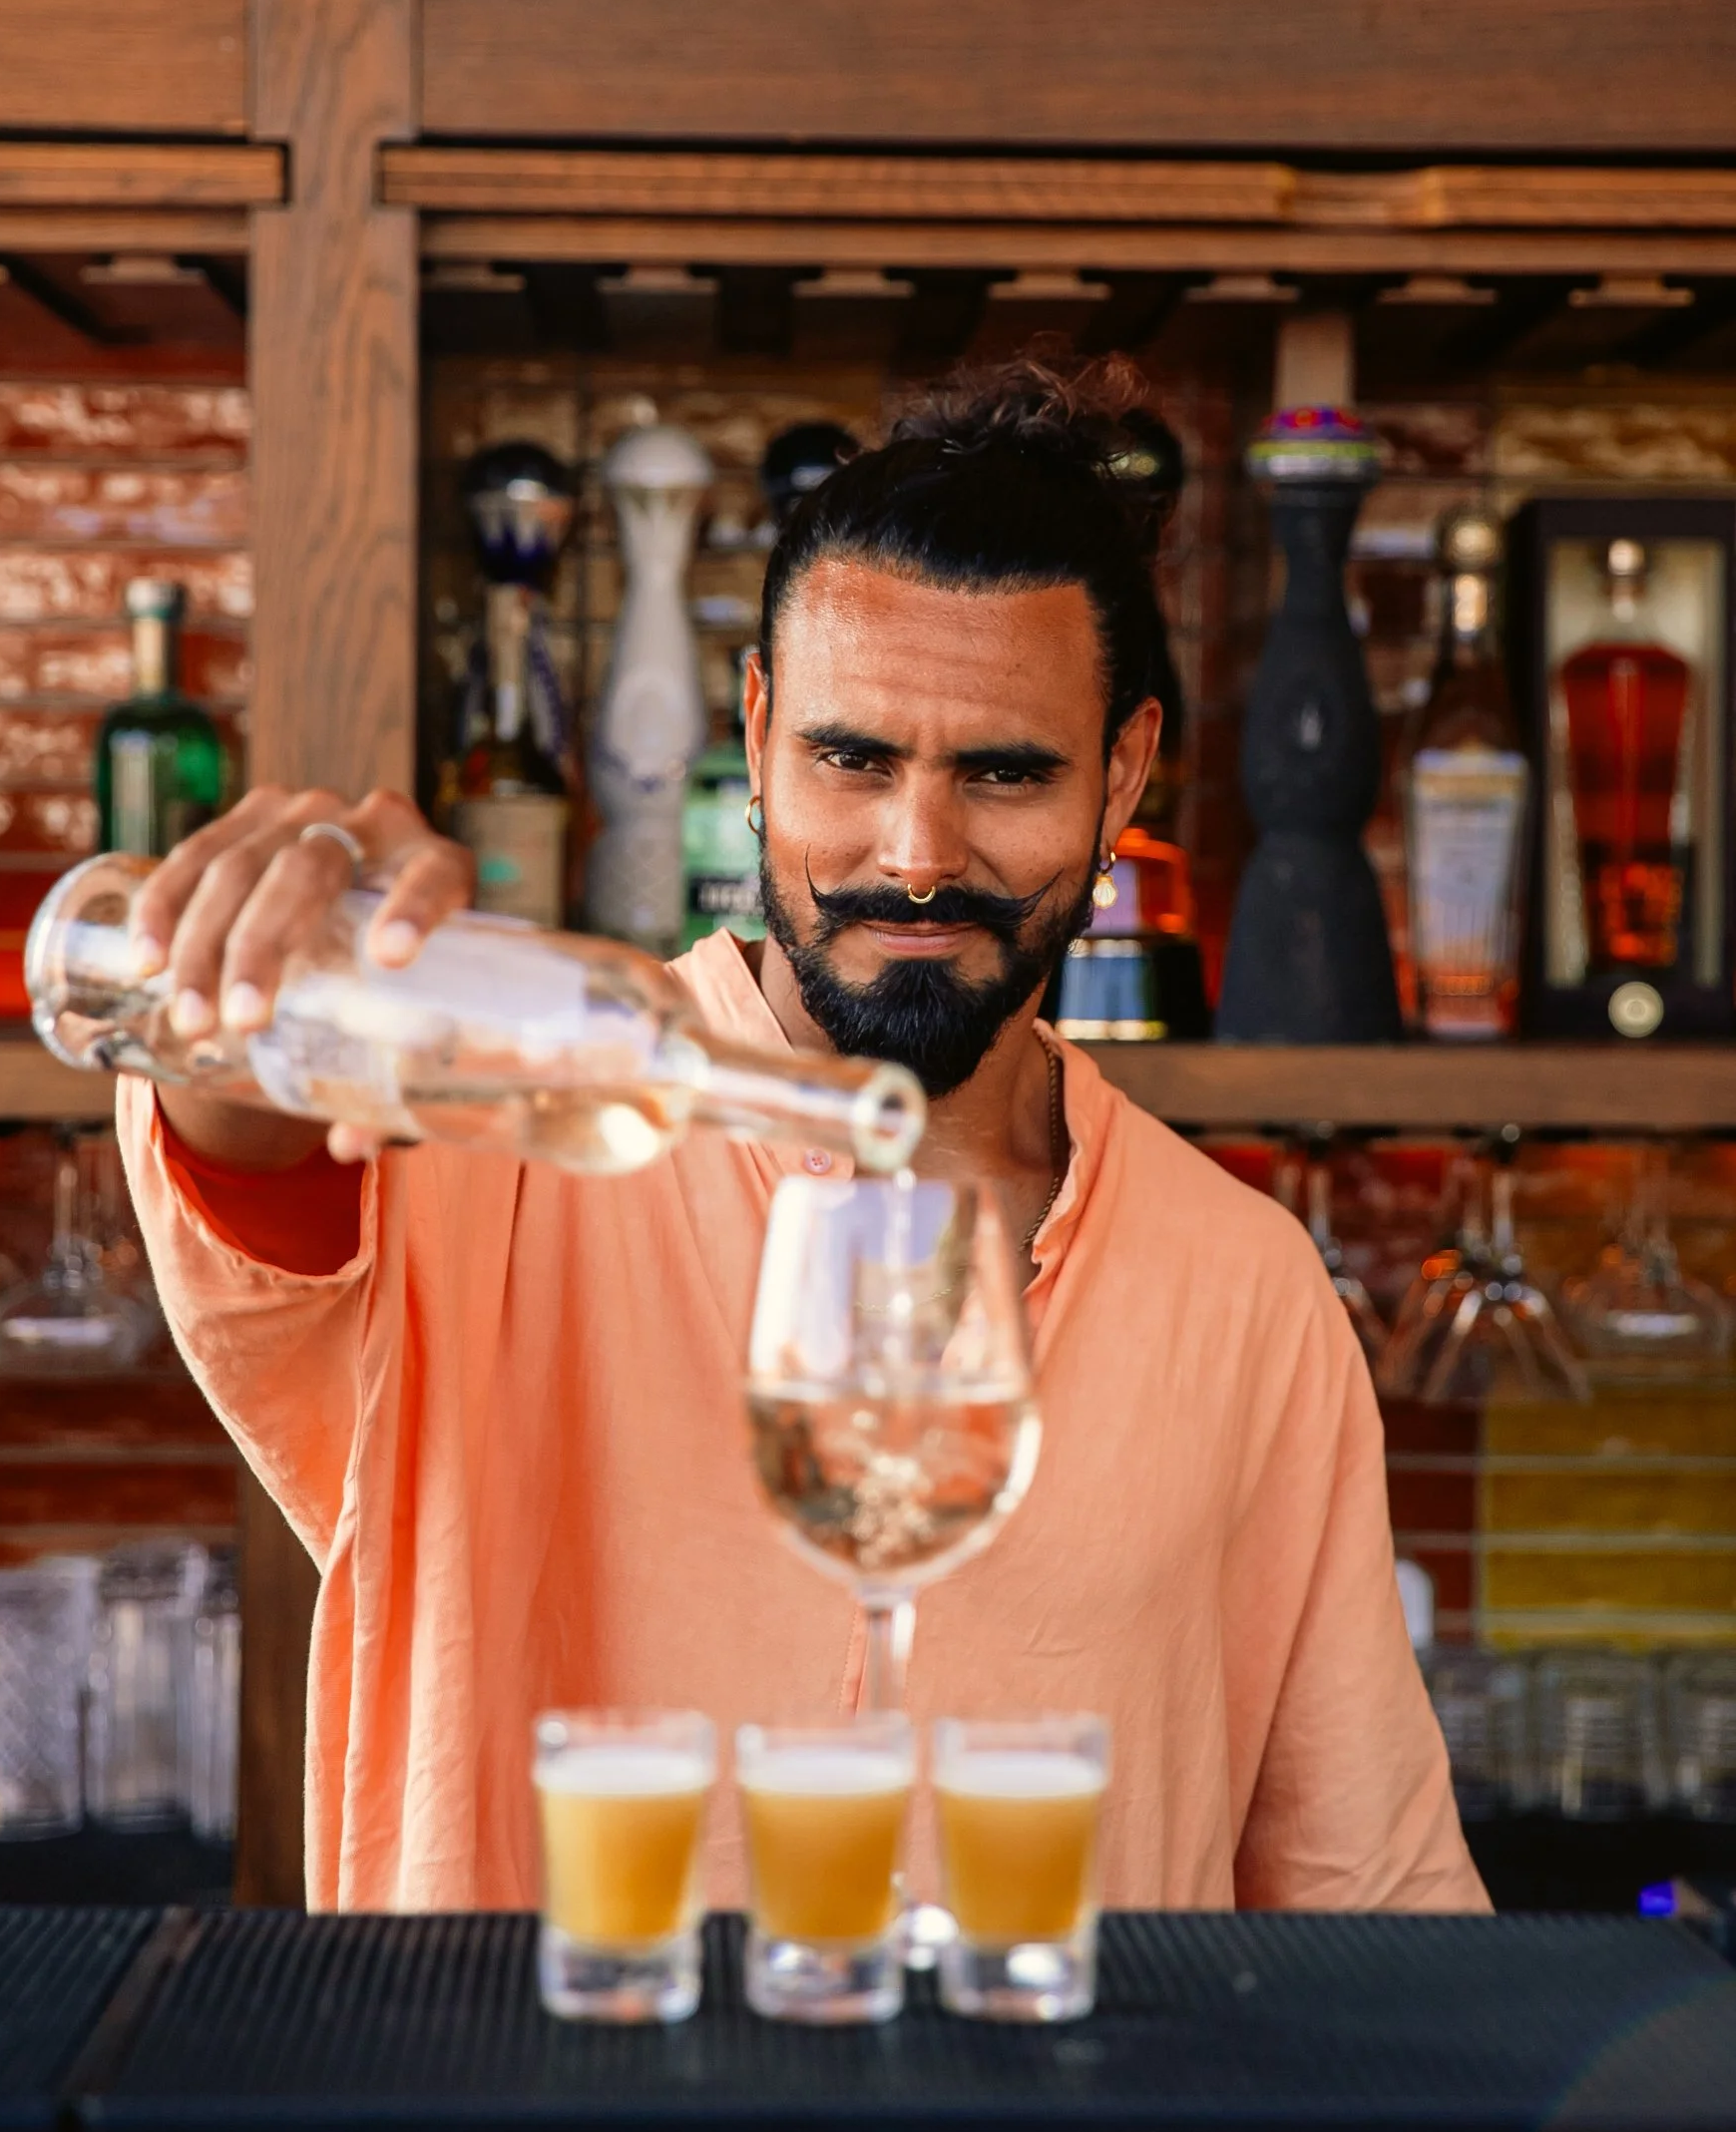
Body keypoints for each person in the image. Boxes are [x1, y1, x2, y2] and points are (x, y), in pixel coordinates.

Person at [118, 357, 1487, 1917]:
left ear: (1123, 773)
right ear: (759, 735)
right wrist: (241, 993)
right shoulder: (496, 1140)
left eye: (1003, 772)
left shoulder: (1245, 1290)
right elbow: (249, 1164)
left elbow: (1367, 1904)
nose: (916, 857)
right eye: (852, 758)